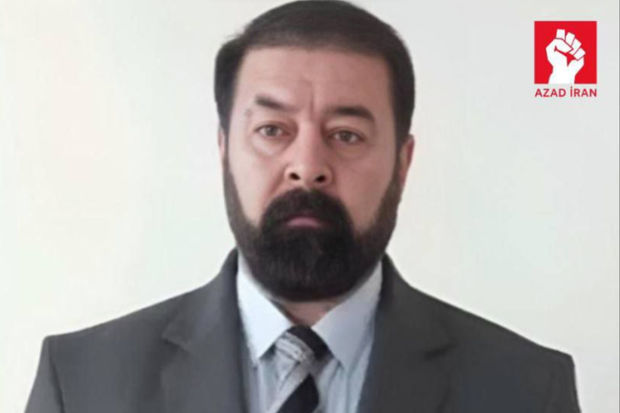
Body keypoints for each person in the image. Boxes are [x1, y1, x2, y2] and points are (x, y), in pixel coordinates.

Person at [26, 1, 581, 412]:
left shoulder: (527, 390)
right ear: (223, 150)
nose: (308, 165)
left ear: (403, 162)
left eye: (346, 135)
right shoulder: (81, 384)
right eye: (273, 130)